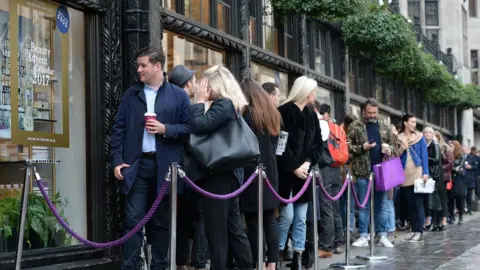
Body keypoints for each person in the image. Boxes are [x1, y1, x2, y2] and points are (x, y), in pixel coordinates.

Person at [111, 47, 190, 270]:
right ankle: (131, 267)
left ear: (157, 66)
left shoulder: (179, 95)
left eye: (143, 65)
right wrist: (117, 161)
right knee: (132, 221)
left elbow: (189, 129)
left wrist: (166, 129)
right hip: (136, 166)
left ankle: (159, 266)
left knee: (161, 223)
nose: (139, 70)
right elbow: (118, 131)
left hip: (166, 168)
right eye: (138, 65)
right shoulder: (131, 95)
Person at [187, 65, 253, 270]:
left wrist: (198, 102)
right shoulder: (230, 105)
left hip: (218, 176)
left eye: (205, 83)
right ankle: (245, 266)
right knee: (233, 228)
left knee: (217, 232)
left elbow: (199, 126)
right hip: (228, 175)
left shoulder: (223, 104)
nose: (202, 88)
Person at [277, 76, 322, 270]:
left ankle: (298, 254)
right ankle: (276, 253)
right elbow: (279, 145)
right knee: (286, 216)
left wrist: (307, 162)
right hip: (287, 175)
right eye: (313, 91)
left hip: (304, 174)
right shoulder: (283, 112)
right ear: (305, 91)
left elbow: (318, 143)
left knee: (301, 218)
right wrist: (294, 166)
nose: (315, 94)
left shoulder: (311, 114)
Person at [168, 65, 209, 270]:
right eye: (192, 80)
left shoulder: (169, 103)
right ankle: (198, 263)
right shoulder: (187, 104)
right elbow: (194, 136)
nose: (194, 83)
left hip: (177, 170)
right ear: (187, 84)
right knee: (200, 217)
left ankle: (182, 263)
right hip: (192, 169)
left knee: (183, 219)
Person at [239, 78, 282, 270]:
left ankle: (258, 262)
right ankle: (272, 264)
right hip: (270, 171)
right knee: (270, 220)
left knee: (253, 221)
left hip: (252, 171)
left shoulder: (248, 115)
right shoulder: (271, 113)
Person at [347, 98, 395, 248]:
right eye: (369, 112)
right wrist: (363, 147)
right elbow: (347, 146)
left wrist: (389, 150)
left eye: (375, 112)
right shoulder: (355, 126)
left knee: (381, 204)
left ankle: (382, 234)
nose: (372, 115)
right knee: (363, 205)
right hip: (362, 171)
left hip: (381, 170)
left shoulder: (384, 126)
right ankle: (363, 235)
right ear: (363, 111)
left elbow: (393, 146)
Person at [314, 102, 345, 257]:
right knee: (335, 207)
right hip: (336, 167)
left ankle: (326, 245)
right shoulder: (337, 128)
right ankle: (338, 241)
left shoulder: (322, 126)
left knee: (326, 206)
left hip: (325, 167)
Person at [397, 113, 429, 242]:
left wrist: (426, 172)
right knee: (409, 204)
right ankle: (413, 229)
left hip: (417, 172)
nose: (414, 124)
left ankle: (419, 231)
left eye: (415, 122)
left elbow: (424, 155)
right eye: (412, 122)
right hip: (404, 173)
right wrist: (401, 148)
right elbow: (395, 156)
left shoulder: (419, 137)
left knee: (418, 203)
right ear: (405, 123)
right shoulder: (398, 138)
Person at [422, 127, 443, 231]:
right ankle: (432, 221)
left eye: (430, 132)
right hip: (426, 174)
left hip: (433, 175)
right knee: (428, 198)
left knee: (432, 198)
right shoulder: (423, 144)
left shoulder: (435, 144)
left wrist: (424, 158)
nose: (428, 134)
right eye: (426, 132)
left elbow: (436, 159)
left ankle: (432, 221)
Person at [449, 141, 467, 225]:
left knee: (460, 198)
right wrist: (454, 169)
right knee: (451, 199)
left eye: (452, 146)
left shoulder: (461, 156)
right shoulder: (448, 155)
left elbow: (461, 168)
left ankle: (460, 216)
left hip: (459, 179)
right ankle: (451, 217)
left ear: (456, 147)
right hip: (450, 178)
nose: (450, 147)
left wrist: (455, 169)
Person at [465, 147, 478, 215]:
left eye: (466, 149)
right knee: (462, 195)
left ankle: (469, 209)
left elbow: (475, 167)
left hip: (469, 179)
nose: (465, 150)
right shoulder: (460, 156)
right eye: (463, 149)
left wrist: (471, 167)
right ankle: (463, 209)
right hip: (462, 179)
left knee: (469, 195)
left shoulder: (471, 157)